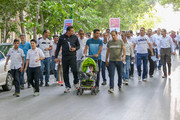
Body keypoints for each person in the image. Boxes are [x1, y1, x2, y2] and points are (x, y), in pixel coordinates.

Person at [55, 26, 80, 93]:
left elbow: (78, 46)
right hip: (65, 57)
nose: (73, 32)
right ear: (68, 31)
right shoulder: (62, 37)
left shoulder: (75, 37)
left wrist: (75, 49)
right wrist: (56, 57)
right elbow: (58, 47)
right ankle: (67, 86)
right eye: (72, 31)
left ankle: (76, 82)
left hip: (72, 56)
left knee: (74, 70)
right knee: (65, 72)